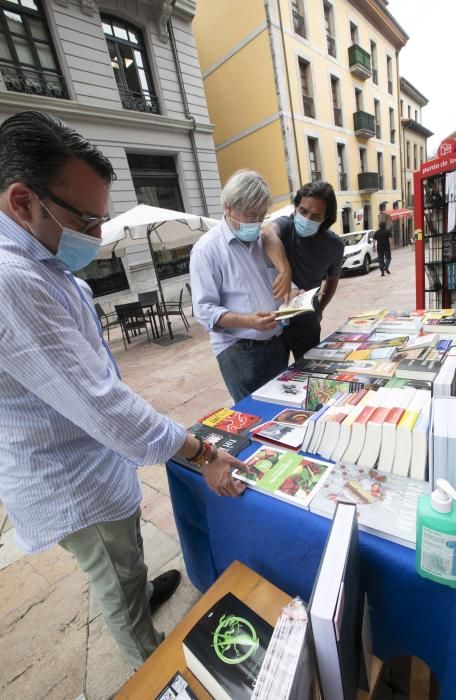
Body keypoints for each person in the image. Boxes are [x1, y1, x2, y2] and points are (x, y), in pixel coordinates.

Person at [0, 111, 245, 670]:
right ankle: (149, 664)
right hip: (71, 480)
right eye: (86, 220)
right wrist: (203, 452)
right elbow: (103, 406)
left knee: (126, 559)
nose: (96, 235)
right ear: (22, 202)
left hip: (90, 464)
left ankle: (139, 590)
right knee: (114, 574)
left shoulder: (39, 260)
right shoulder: (12, 278)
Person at [190, 170, 291, 403]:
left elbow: (275, 281)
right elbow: (204, 311)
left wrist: (292, 292)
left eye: (261, 216)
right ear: (228, 207)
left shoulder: (263, 240)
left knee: (281, 409)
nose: (256, 223)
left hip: (275, 343)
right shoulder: (207, 250)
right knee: (254, 415)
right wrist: (248, 321)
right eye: (251, 215)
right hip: (239, 350)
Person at [262, 181, 344, 360]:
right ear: (295, 208)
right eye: (303, 211)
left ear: (326, 219)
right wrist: (285, 271)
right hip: (275, 321)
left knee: (309, 372)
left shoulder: (335, 246)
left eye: (315, 216)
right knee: (275, 379)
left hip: (307, 320)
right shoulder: (286, 226)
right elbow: (268, 234)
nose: (307, 219)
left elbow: (332, 281)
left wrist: (320, 309)